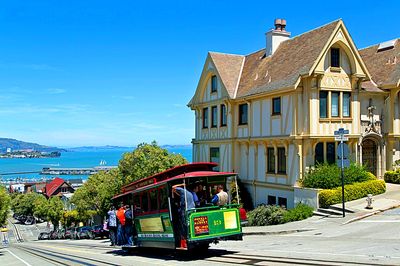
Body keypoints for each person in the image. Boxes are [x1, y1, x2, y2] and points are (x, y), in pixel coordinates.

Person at [172, 183, 195, 247]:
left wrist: (181, 184)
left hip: (186, 210)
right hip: (192, 209)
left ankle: (185, 239)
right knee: (190, 224)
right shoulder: (189, 193)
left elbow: (173, 187)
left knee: (184, 224)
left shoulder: (181, 190)